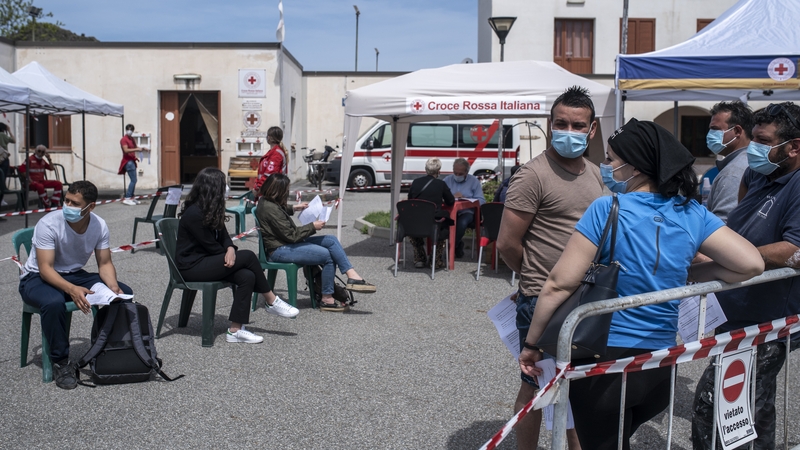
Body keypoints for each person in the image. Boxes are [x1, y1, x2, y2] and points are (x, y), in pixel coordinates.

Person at [518, 118, 763, 450]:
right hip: (659, 365)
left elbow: (558, 284)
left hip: (603, 362)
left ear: (634, 167)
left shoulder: (607, 207)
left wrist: (532, 345)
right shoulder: (691, 212)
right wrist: (689, 273)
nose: (605, 166)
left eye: (610, 159)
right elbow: (751, 264)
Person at [497, 85, 603, 450]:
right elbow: (508, 243)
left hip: (585, 300)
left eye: (578, 125)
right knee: (535, 388)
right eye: (561, 124)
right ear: (549, 125)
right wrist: (535, 281)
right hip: (544, 302)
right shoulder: (532, 175)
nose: (569, 132)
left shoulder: (595, 173)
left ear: (591, 130)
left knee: (578, 390)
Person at [692, 102, 800, 450]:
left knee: (714, 406)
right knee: (758, 405)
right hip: (736, 309)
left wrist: (739, 259)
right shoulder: (757, 174)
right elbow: (739, 222)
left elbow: (793, 249)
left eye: (763, 141)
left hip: (766, 321)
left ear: (794, 147)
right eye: (753, 138)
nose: (754, 147)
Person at [18, 180, 134, 389]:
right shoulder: (49, 223)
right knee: (53, 302)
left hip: (74, 274)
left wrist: (112, 287)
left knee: (123, 292)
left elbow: (105, 263)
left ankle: (109, 348)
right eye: (67, 200)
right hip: (36, 277)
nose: (68, 206)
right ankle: (60, 362)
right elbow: (45, 268)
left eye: (75, 203)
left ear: (90, 207)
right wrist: (71, 290)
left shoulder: (99, 225)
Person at [175, 167, 298, 345]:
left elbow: (224, 237)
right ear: (212, 187)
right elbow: (211, 246)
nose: (226, 188)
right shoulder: (194, 213)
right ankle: (271, 300)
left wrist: (231, 249)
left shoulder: (211, 208)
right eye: (223, 184)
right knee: (248, 256)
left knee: (247, 276)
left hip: (209, 260)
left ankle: (235, 330)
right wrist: (231, 253)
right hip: (191, 267)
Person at [256, 173, 376, 312]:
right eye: (286, 190)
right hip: (280, 249)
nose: (287, 192)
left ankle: (351, 274)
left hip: (284, 243)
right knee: (328, 255)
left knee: (331, 240)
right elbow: (292, 236)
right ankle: (327, 298)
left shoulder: (267, 202)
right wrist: (313, 226)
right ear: (278, 191)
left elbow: (280, 210)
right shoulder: (270, 209)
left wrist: (294, 208)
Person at [705, 100, 754, 222]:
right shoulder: (749, 161)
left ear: (737, 131)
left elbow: (723, 224)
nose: (710, 135)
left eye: (715, 129)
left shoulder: (733, 173)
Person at [407, 157, 455, 269]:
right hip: (433, 223)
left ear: (426, 169)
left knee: (414, 224)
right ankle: (435, 260)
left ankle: (419, 258)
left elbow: (410, 200)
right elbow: (450, 201)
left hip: (415, 223)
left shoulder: (416, 182)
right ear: (439, 171)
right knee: (444, 225)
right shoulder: (441, 184)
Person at [443, 158, 485, 258]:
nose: (457, 175)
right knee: (441, 222)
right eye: (455, 173)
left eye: (460, 174)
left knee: (462, 223)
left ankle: (452, 247)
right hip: (450, 211)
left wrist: (466, 198)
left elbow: (482, 200)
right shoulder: (447, 180)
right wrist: (451, 197)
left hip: (467, 211)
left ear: (466, 172)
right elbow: (440, 197)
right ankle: (457, 245)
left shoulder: (473, 181)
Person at [118, 123, 150, 206]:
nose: (130, 131)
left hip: (132, 161)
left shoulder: (131, 139)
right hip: (128, 161)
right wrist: (137, 149)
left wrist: (143, 148)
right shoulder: (124, 139)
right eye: (128, 129)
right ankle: (128, 197)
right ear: (126, 130)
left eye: (131, 130)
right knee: (133, 180)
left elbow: (135, 147)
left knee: (134, 180)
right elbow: (126, 150)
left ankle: (131, 197)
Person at [253, 126, 287, 194]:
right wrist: (257, 185)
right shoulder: (272, 152)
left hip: (272, 192)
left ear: (269, 137)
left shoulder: (276, 153)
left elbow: (270, 174)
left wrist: (258, 188)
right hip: (266, 190)